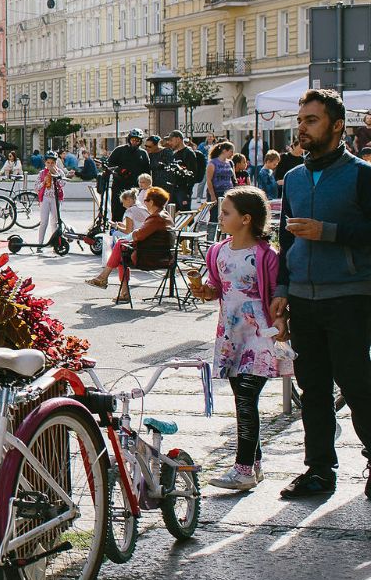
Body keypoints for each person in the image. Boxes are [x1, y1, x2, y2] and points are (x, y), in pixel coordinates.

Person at [272, 89, 371, 500]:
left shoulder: (362, 175)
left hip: (349, 296)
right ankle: (318, 470)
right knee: (312, 388)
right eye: (300, 120)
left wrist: (327, 232)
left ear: (337, 125)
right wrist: (281, 290)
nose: (302, 128)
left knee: (357, 384)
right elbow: (285, 241)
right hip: (302, 298)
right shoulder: (294, 177)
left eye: (311, 120)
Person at [189, 188, 289, 492]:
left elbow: (277, 294)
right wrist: (204, 290)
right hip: (231, 336)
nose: (220, 217)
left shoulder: (266, 255)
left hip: (259, 336)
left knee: (246, 398)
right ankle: (254, 465)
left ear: (246, 219)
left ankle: (243, 470)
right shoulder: (217, 251)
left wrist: (282, 320)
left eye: (226, 212)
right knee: (243, 400)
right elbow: (217, 288)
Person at [87, 186, 171, 303]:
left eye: (146, 200)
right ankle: (120, 289)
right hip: (161, 255)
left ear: (151, 202)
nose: (144, 203)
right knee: (121, 251)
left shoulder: (156, 218)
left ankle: (104, 277)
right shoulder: (165, 216)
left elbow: (138, 235)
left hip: (149, 257)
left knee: (120, 247)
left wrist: (133, 233)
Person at [105, 130, 152, 222]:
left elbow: (147, 171)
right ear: (129, 139)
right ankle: (116, 227)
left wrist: (147, 186)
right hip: (119, 185)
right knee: (118, 211)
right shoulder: (119, 150)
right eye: (133, 140)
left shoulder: (143, 153)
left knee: (135, 211)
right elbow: (109, 165)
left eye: (137, 140)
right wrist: (120, 171)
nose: (134, 142)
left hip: (135, 188)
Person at [162, 130, 202, 211]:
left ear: (178, 139)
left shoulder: (188, 153)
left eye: (171, 140)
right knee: (172, 211)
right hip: (174, 188)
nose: (169, 143)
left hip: (183, 189)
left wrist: (187, 188)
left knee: (185, 212)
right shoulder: (175, 153)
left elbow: (192, 173)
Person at [35, 151, 66, 250]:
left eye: (52, 163)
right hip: (45, 198)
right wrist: (43, 182)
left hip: (56, 199)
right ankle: (40, 244)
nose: (50, 165)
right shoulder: (42, 173)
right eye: (48, 163)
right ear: (45, 163)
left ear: (55, 163)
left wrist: (55, 174)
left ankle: (55, 243)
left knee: (55, 222)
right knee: (44, 222)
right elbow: (36, 187)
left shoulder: (59, 172)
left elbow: (63, 183)